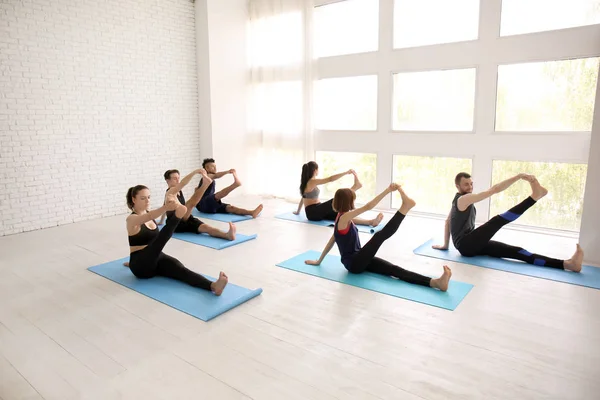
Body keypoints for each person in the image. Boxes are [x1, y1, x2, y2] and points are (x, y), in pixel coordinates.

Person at [305, 183, 452, 291]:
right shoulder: (344, 218)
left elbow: (333, 238)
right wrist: (387, 190)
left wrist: (319, 260)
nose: (354, 202)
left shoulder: (342, 218)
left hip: (359, 259)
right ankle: (404, 208)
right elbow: (368, 206)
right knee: (379, 236)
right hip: (354, 263)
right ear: (347, 202)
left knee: (394, 269)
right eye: (353, 199)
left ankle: (436, 283)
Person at [432, 172, 584, 272]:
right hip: (467, 245)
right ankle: (534, 197)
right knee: (497, 221)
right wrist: (518, 177)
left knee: (516, 251)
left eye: (471, 183)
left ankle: (568, 264)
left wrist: (446, 245)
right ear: (457, 186)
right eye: (466, 184)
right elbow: (493, 190)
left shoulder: (457, 200)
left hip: (471, 245)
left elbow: (447, 221)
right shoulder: (464, 199)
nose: (470, 187)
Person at [125, 168, 229, 295]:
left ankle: (213, 286)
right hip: (141, 266)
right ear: (134, 200)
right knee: (158, 242)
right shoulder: (131, 219)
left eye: (149, 197)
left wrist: (195, 172)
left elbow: (181, 184)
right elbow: (149, 216)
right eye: (143, 198)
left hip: (154, 259)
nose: (148, 201)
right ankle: (177, 218)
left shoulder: (149, 212)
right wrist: (167, 208)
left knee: (178, 267)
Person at [294, 161, 384, 228]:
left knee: (342, 216)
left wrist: (298, 211)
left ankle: (371, 222)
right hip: (313, 213)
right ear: (315, 170)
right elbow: (330, 179)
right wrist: (345, 173)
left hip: (317, 210)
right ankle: (355, 188)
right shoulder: (312, 181)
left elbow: (303, 198)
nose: (318, 171)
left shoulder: (307, 183)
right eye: (318, 169)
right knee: (334, 200)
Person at [158, 169, 236, 241]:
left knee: (206, 227)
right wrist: (194, 172)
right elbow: (183, 183)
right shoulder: (170, 191)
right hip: (175, 223)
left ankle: (227, 235)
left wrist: (161, 222)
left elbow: (164, 207)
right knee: (190, 204)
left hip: (186, 218)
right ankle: (205, 184)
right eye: (175, 178)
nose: (178, 180)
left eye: (178, 177)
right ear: (167, 180)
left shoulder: (177, 191)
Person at [196, 158, 263, 218]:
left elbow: (197, 190)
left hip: (209, 204)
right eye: (213, 167)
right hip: (203, 204)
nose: (215, 168)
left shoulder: (209, 178)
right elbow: (216, 175)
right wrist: (227, 172)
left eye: (215, 166)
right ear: (207, 168)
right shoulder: (207, 176)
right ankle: (235, 185)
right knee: (217, 196)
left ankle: (251, 212)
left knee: (231, 208)